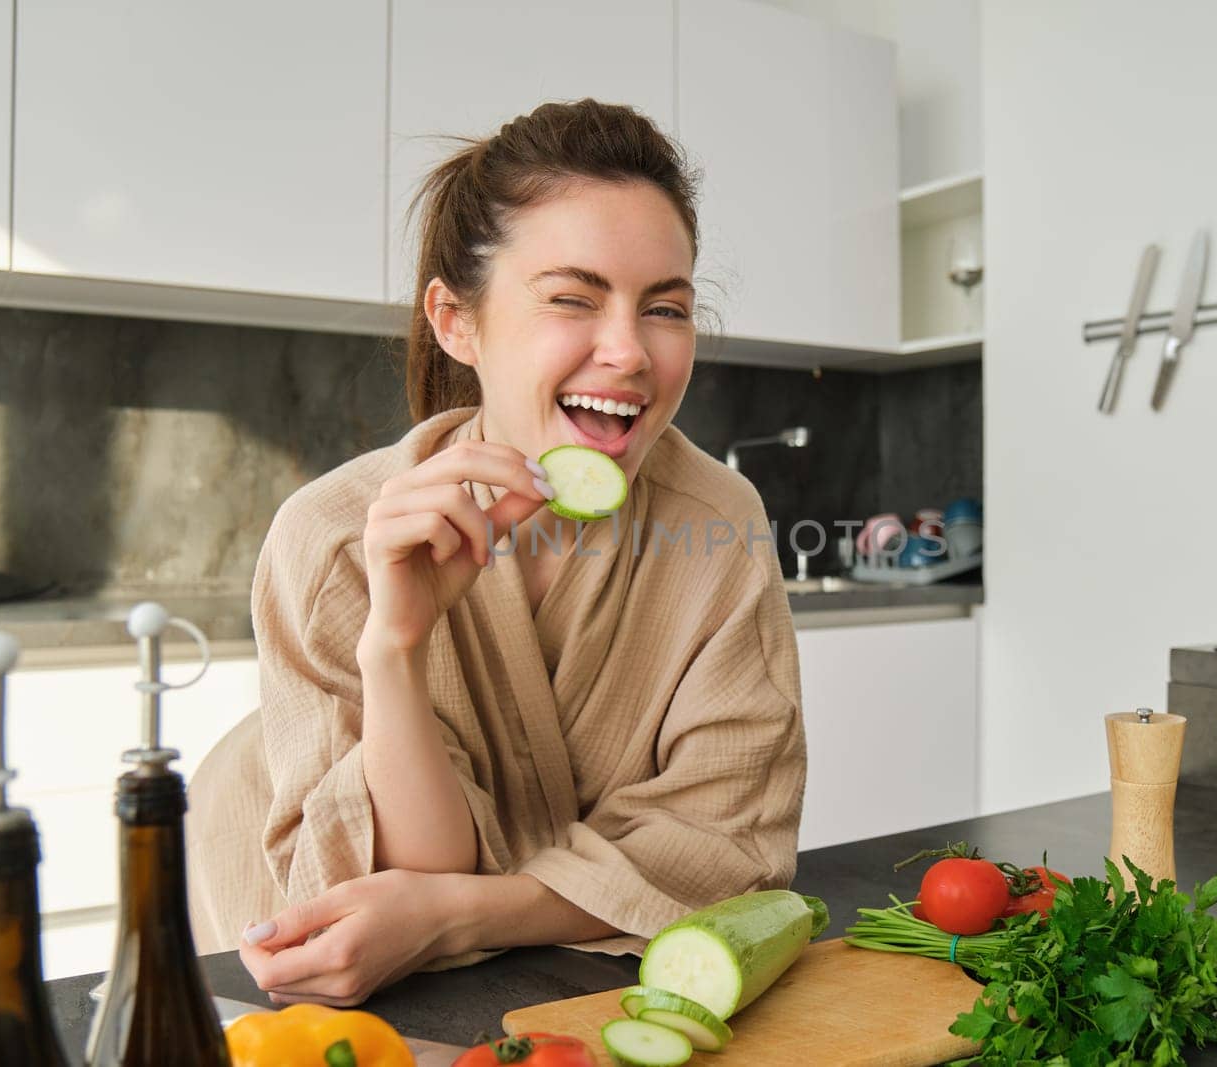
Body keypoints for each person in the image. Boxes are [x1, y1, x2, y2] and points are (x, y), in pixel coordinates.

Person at [185, 99, 806, 1007]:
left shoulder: (719, 523)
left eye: (665, 307)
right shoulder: (329, 538)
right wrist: (397, 643)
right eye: (572, 298)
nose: (629, 351)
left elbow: (727, 845)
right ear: (455, 321)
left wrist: (465, 914)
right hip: (320, 972)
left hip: (579, 991)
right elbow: (398, 880)